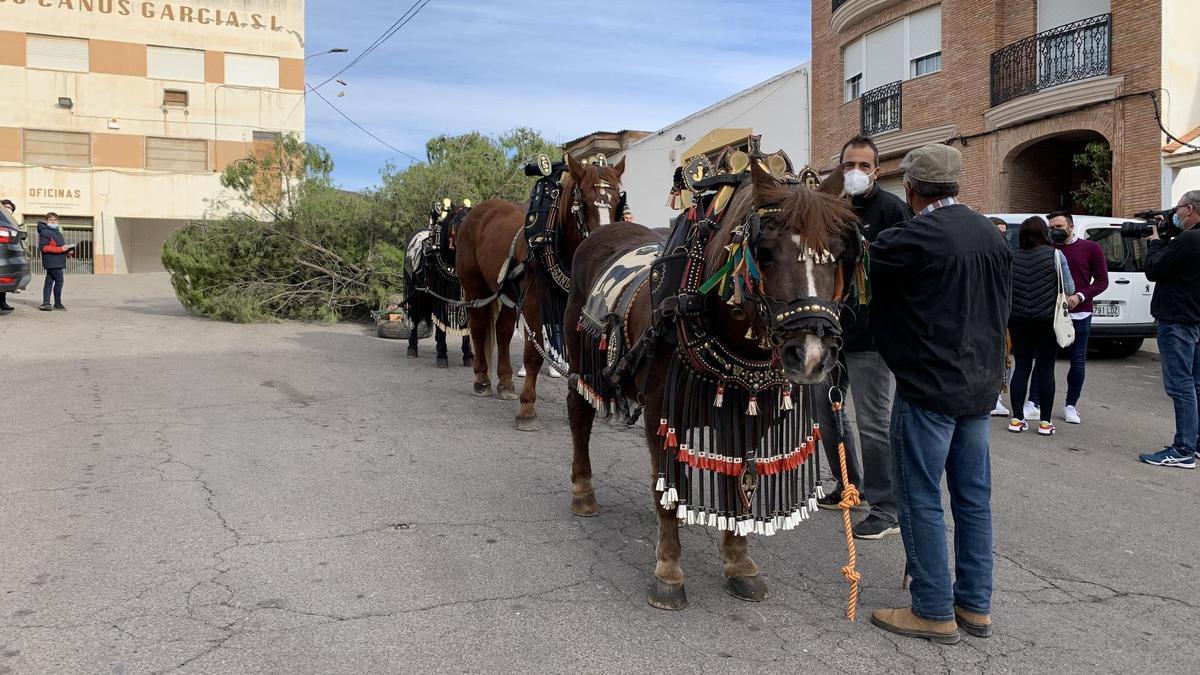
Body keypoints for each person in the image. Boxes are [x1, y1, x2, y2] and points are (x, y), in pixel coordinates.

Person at [867, 144, 1011, 644]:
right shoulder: (988, 233)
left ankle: (931, 607)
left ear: (909, 187)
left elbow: (870, 277)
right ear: (956, 184)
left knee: (920, 496)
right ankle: (975, 605)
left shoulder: (907, 238)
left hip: (928, 387)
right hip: (979, 385)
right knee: (973, 498)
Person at [815, 135, 912, 542]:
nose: (854, 172)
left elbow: (909, 268)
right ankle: (848, 485)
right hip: (831, 333)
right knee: (826, 414)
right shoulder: (829, 209)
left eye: (863, 165)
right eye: (848, 164)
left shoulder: (893, 210)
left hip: (871, 337)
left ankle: (886, 506)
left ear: (876, 170)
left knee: (873, 423)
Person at [1024, 211, 1108, 425]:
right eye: (1051, 227)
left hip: (1080, 313)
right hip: (1050, 314)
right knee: (1043, 359)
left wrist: (1080, 296)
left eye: (1059, 226)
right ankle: (1033, 402)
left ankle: (1071, 405)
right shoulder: (1048, 250)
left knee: (1077, 360)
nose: (1054, 231)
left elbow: (1101, 281)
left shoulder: (1091, 248)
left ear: (1070, 226)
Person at [1138, 190, 1200, 469]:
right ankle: (1195, 443)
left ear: (1189, 209)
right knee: (1196, 384)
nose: (1174, 215)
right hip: (1196, 318)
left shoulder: (1189, 239)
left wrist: (1154, 242)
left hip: (1177, 319)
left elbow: (1154, 269)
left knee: (1181, 385)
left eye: (1177, 210)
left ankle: (1183, 448)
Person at [1007, 216, 1075, 436]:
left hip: (1018, 320)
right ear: (1044, 234)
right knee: (1046, 369)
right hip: (1048, 321)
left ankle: (1016, 419)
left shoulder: (1011, 257)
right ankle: (1045, 422)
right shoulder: (1056, 255)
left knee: (1022, 367)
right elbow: (1070, 287)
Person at [988, 216, 1011, 418]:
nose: (1002, 236)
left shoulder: (1007, 256)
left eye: (1005, 232)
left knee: (1005, 358)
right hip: (985, 317)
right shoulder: (985, 254)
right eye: (998, 231)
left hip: (1001, 318)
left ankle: (998, 397)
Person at [37, 213, 72, 311]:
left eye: (55, 220)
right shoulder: (45, 232)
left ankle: (46, 303)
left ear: (58, 221)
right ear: (46, 221)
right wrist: (61, 249)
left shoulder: (57, 232)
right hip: (52, 261)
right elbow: (44, 247)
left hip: (57, 260)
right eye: (50, 219)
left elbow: (59, 246)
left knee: (49, 282)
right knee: (59, 281)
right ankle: (57, 303)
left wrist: (67, 252)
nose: (53, 221)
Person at [0, 199, 15, 312]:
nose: (8, 210)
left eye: (10, 209)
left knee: (3, 280)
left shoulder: (11, 223)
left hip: (7, 253)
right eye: (5, 207)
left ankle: (2, 302)